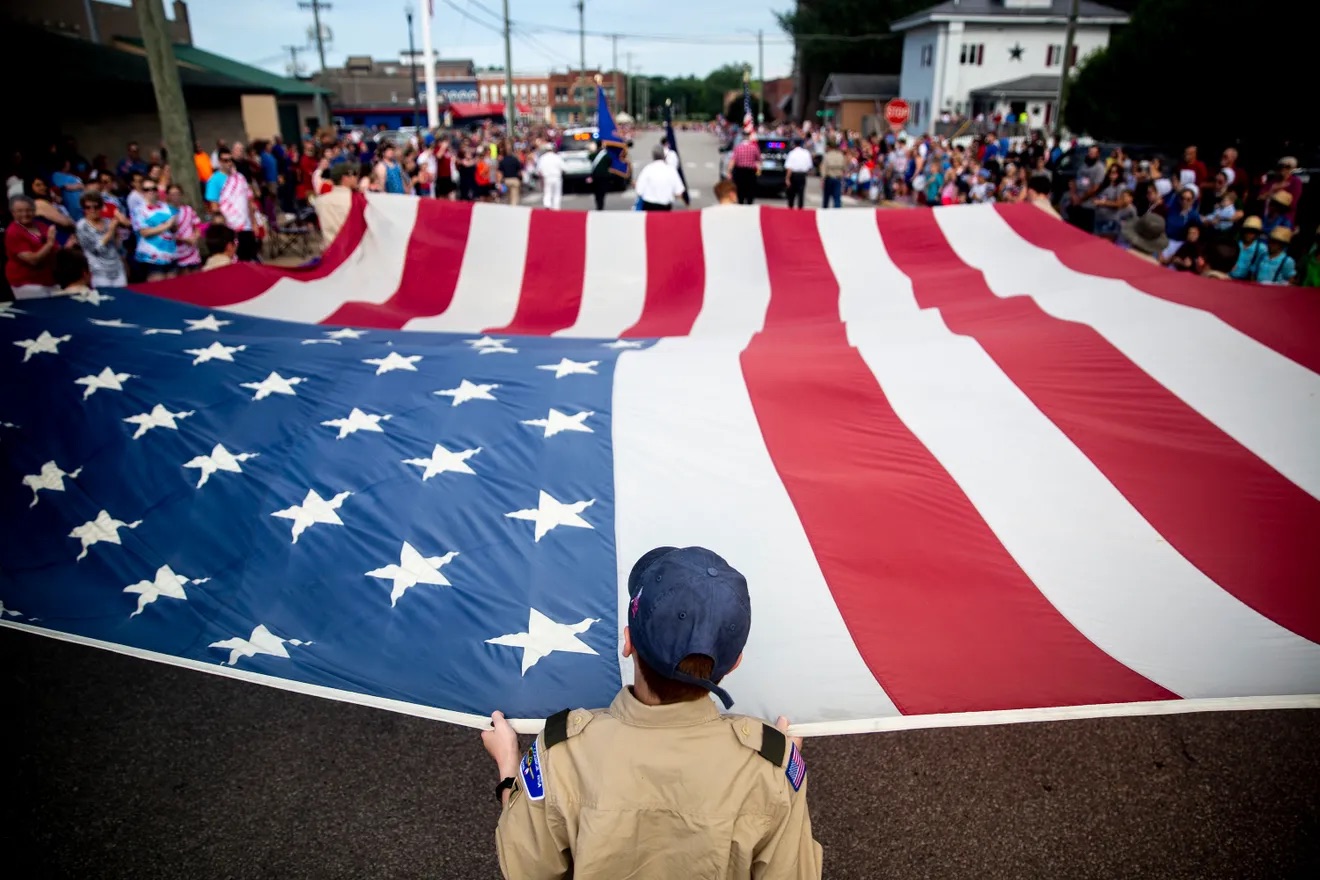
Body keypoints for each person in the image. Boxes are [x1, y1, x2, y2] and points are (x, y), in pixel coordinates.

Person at [483, 546, 822, 880]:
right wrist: (779, 768)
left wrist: (509, 768)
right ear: (734, 663)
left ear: (627, 642)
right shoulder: (772, 766)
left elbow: (527, 868)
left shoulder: (560, 753)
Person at [205, 148, 259, 262]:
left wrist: (254, 223)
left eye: (230, 160)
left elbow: (249, 201)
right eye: (225, 160)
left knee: (248, 259)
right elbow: (214, 207)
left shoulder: (240, 178)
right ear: (219, 161)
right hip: (229, 228)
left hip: (246, 226)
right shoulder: (214, 180)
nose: (228, 163)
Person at [5, 195, 60, 298]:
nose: (25, 214)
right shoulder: (13, 232)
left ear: (34, 211)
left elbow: (56, 249)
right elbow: (33, 260)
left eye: (28, 210)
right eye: (20, 211)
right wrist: (49, 244)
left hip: (49, 279)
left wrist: (68, 245)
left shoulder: (41, 225)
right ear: (13, 213)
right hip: (27, 283)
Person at [75, 191, 128, 288]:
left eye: (96, 207)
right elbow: (95, 249)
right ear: (83, 208)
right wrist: (110, 231)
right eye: (88, 207)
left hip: (117, 269)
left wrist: (117, 234)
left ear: (101, 207)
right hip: (99, 273)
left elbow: (118, 247)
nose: (92, 210)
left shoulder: (108, 222)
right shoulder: (82, 226)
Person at [133, 179, 177, 280]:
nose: (151, 191)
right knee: (159, 288)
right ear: (142, 192)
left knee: (174, 287)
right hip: (151, 257)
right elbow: (144, 232)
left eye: (153, 189)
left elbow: (174, 229)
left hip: (170, 254)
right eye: (147, 189)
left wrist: (173, 226)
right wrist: (167, 225)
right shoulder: (138, 210)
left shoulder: (166, 207)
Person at [315, 162, 359, 245]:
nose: (356, 178)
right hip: (351, 248)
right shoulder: (356, 201)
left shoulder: (320, 201)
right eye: (354, 174)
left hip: (330, 248)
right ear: (345, 178)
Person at [633, 144, 685, 211]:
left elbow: (639, 191)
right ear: (664, 156)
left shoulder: (647, 169)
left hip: (649, 206)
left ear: (653, 156)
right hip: (665, 207)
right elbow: (679, 193)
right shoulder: (671, 170)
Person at [167, 184, 201, 272]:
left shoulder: (188, 209)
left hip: (193, 251)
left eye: (177, 194)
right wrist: (184, 240)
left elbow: (197, 225)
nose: (175, 197)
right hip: (177, 253)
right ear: (168, 196)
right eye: (172, 194)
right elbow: (167, 234)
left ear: (181, 195)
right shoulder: (166, 212)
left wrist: (196, 237)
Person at [726, 133, 762, 205]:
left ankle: (741, 201)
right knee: (750, 188)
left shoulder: (738, 148)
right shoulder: (754, 148)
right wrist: (759, 171)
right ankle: (749, 202)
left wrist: (729, 172)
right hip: (750, 171)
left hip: (740, 171)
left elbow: (733, 160)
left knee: (740, 188)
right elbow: (759, 160)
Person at [1230, 216, 1267, 280]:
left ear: (1257, 234)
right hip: (1230, 277)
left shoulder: (1261, 248)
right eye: (1247, 231)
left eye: (1252, 232)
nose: (1249, 234)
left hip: (1246, 280)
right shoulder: (1236, 244)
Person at [784, 137, 812, 209]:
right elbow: (809, 166)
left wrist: (787, 178)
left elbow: (789, 167)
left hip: (794, 175)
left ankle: (790, 209)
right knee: (801, 194)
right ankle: (800, 209)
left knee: (791, 194)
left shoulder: (792, 153)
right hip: (802, 175)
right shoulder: (806, 153)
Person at [819, 137, 846, 209]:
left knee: (826, 198)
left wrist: (822, 179)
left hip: (829, 178)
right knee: (837, 198)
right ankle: (837, 213)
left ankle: (825, 213)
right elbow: (844, 167)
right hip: (838, 178)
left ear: (829, 147)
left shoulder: (827, 156)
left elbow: (823, 168)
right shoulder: (840, 155)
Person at [536, 146, 565, 210]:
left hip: (546, 177)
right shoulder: (557, 157)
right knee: (556, 193)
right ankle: (556, 207)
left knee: (547, 192)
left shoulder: (542, 158)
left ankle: (547, 205)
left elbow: (538, 170)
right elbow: (563, 168)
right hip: (556, 177)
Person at [587, 141, 612, 211]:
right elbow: (609, 162)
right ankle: (601, 206)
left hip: (595, 176)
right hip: (604, 176)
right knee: (602, 192)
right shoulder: (606, 155)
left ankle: (598, 205)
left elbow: (589, 158)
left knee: (596, 192)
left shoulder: (592, 155)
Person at [498, 142, 523, 207]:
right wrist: (521, 180)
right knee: (514, 198)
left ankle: (509, 208)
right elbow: (519, 172)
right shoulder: (515, 160)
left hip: (506, 180)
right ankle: (513, 209)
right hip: (514, 180)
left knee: (508, 197)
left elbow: (500, 173)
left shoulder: (502, 161)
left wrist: (499, 183)